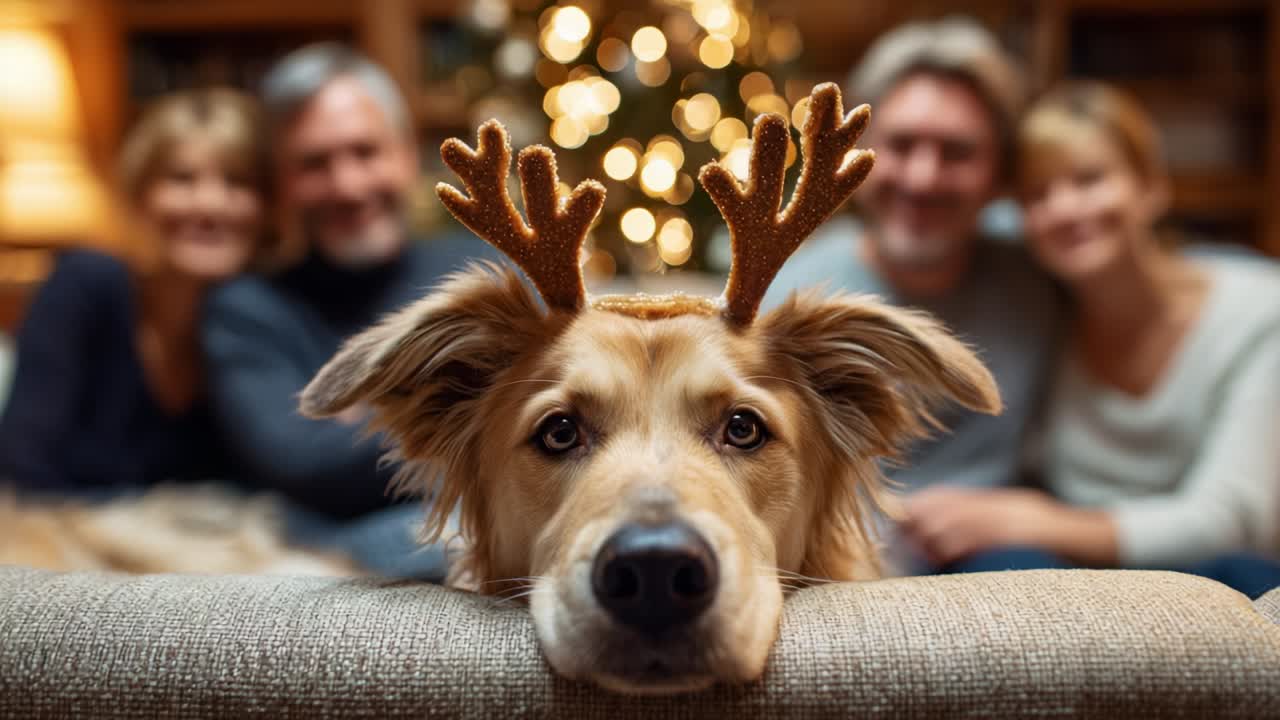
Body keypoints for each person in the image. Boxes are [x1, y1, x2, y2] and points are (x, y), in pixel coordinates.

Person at [902, 81, 1280, 599]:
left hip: (1219, 573)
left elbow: (1234, 520)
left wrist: (1038, 520)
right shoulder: (1038, 310)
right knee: (1001, 567)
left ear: (1152, 186)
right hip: (1072, 581)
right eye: (1037, 195)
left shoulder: (1260, 314)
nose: (1064, 208)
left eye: (1089, 179)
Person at [762, 18, 1062, 573]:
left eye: (957, 152)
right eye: (901, 146)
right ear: (857, 154)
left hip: (1007, 550)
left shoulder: (1040, 267)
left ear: (999, 171)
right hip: (852, 553)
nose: (924, 178)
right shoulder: (795, 293)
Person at [201, 44, 497, 576]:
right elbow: (298, 462)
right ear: (280, 180)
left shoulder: (482, 271)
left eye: (365, 152)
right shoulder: (247, 307)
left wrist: (367, 412)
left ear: (406, 154)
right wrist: (463, 410)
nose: (348, 186)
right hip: (332, 547)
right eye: (314, 163)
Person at [0, 88, 267, 495]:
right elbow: (22, 473)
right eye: (181, 179)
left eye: (237, 181)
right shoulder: (86, 285)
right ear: (140, 195)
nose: (209, 203)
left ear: (269, 206)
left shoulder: (269, 319)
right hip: (62, 532)